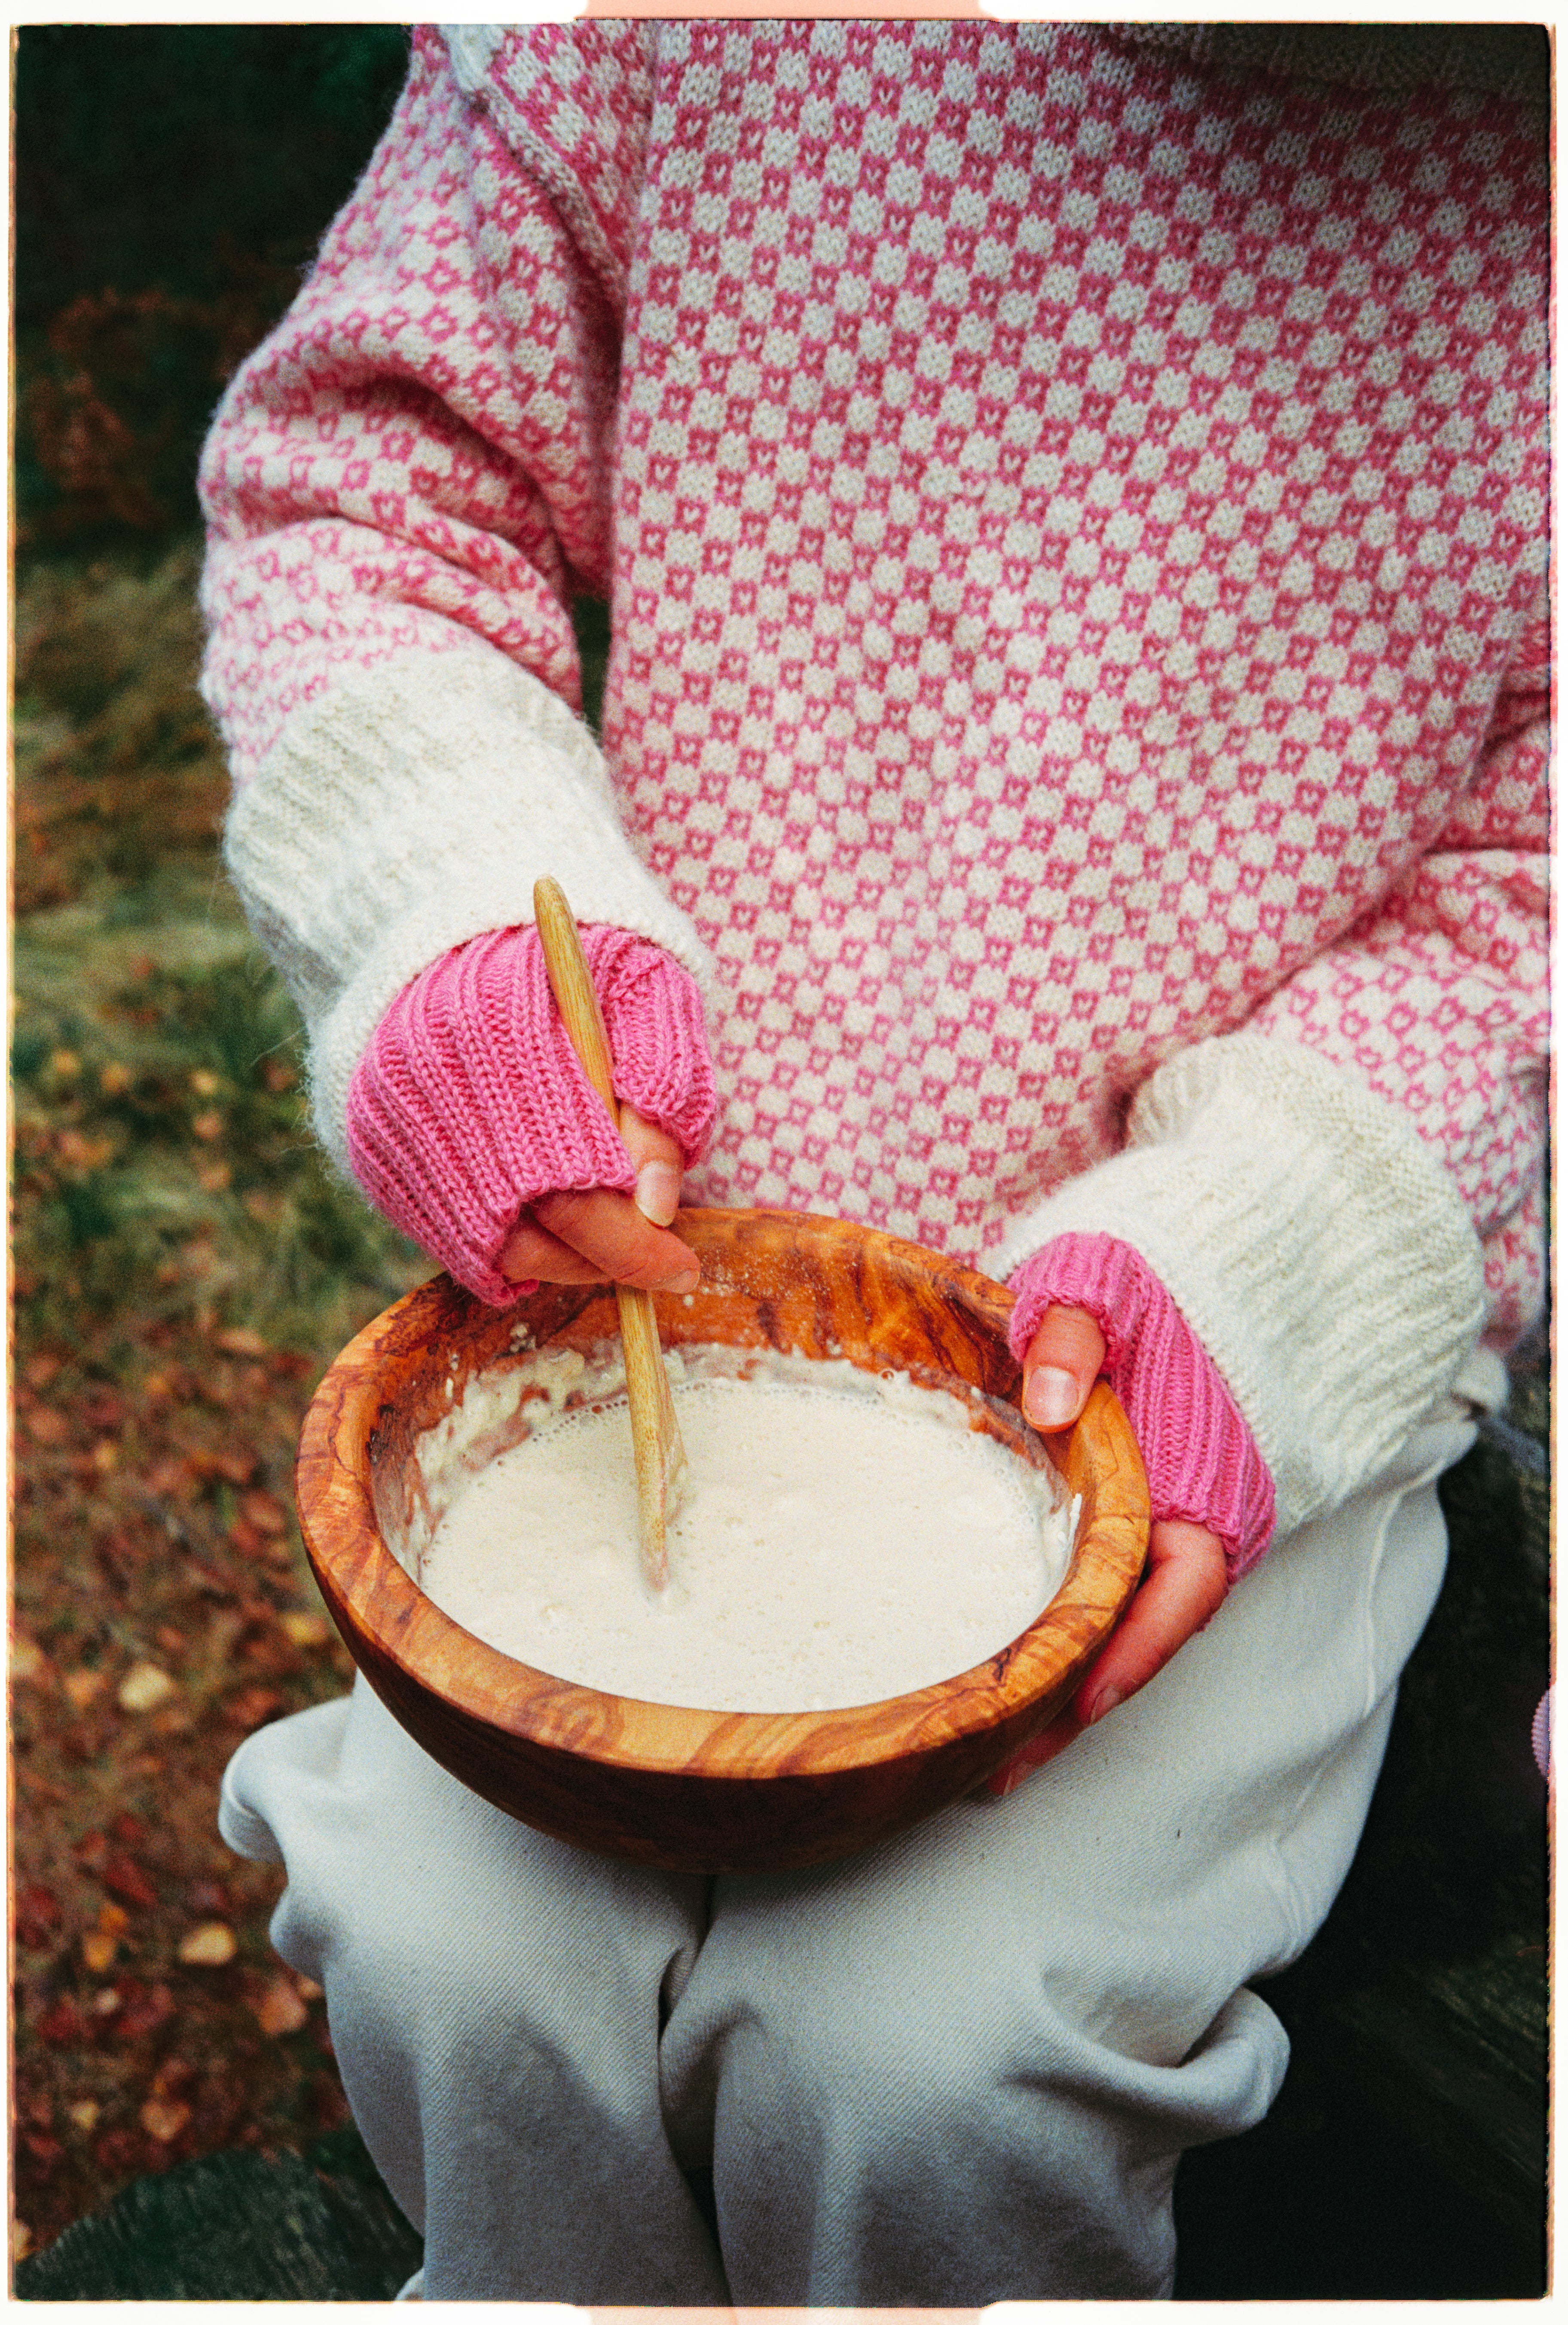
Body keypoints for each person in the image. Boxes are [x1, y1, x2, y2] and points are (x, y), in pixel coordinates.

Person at [198, 21, 1547, 2302]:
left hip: (1213, 1390)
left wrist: (1273, 1259)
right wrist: (455, 909)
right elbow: (376, 494)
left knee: (916, 2065)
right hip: (644, 1300)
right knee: (452, 1952)